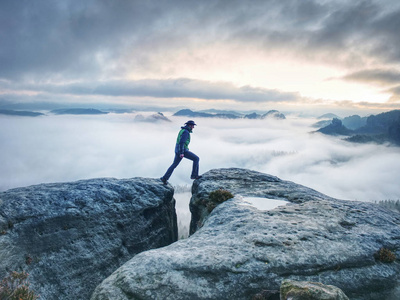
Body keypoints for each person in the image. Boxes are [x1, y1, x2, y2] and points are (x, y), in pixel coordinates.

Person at [160, 120, 202, 184]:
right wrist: (182, 152)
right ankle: (194, 175)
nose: (193, 127)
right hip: (182, 150)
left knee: (174, 165)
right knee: (196, 158)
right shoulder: (186, 132)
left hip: (177, 150)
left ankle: (164, 178)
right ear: (189, 125)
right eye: (193, 126)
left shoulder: (182, 130)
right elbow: (182, 142)